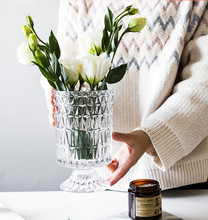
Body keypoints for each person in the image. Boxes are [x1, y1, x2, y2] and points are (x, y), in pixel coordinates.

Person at [41, 0, 208, 191]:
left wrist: (152, 136)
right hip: (100, 176)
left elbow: (203, 79)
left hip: (182, 177)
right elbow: (65, 59)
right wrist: (56, 92)